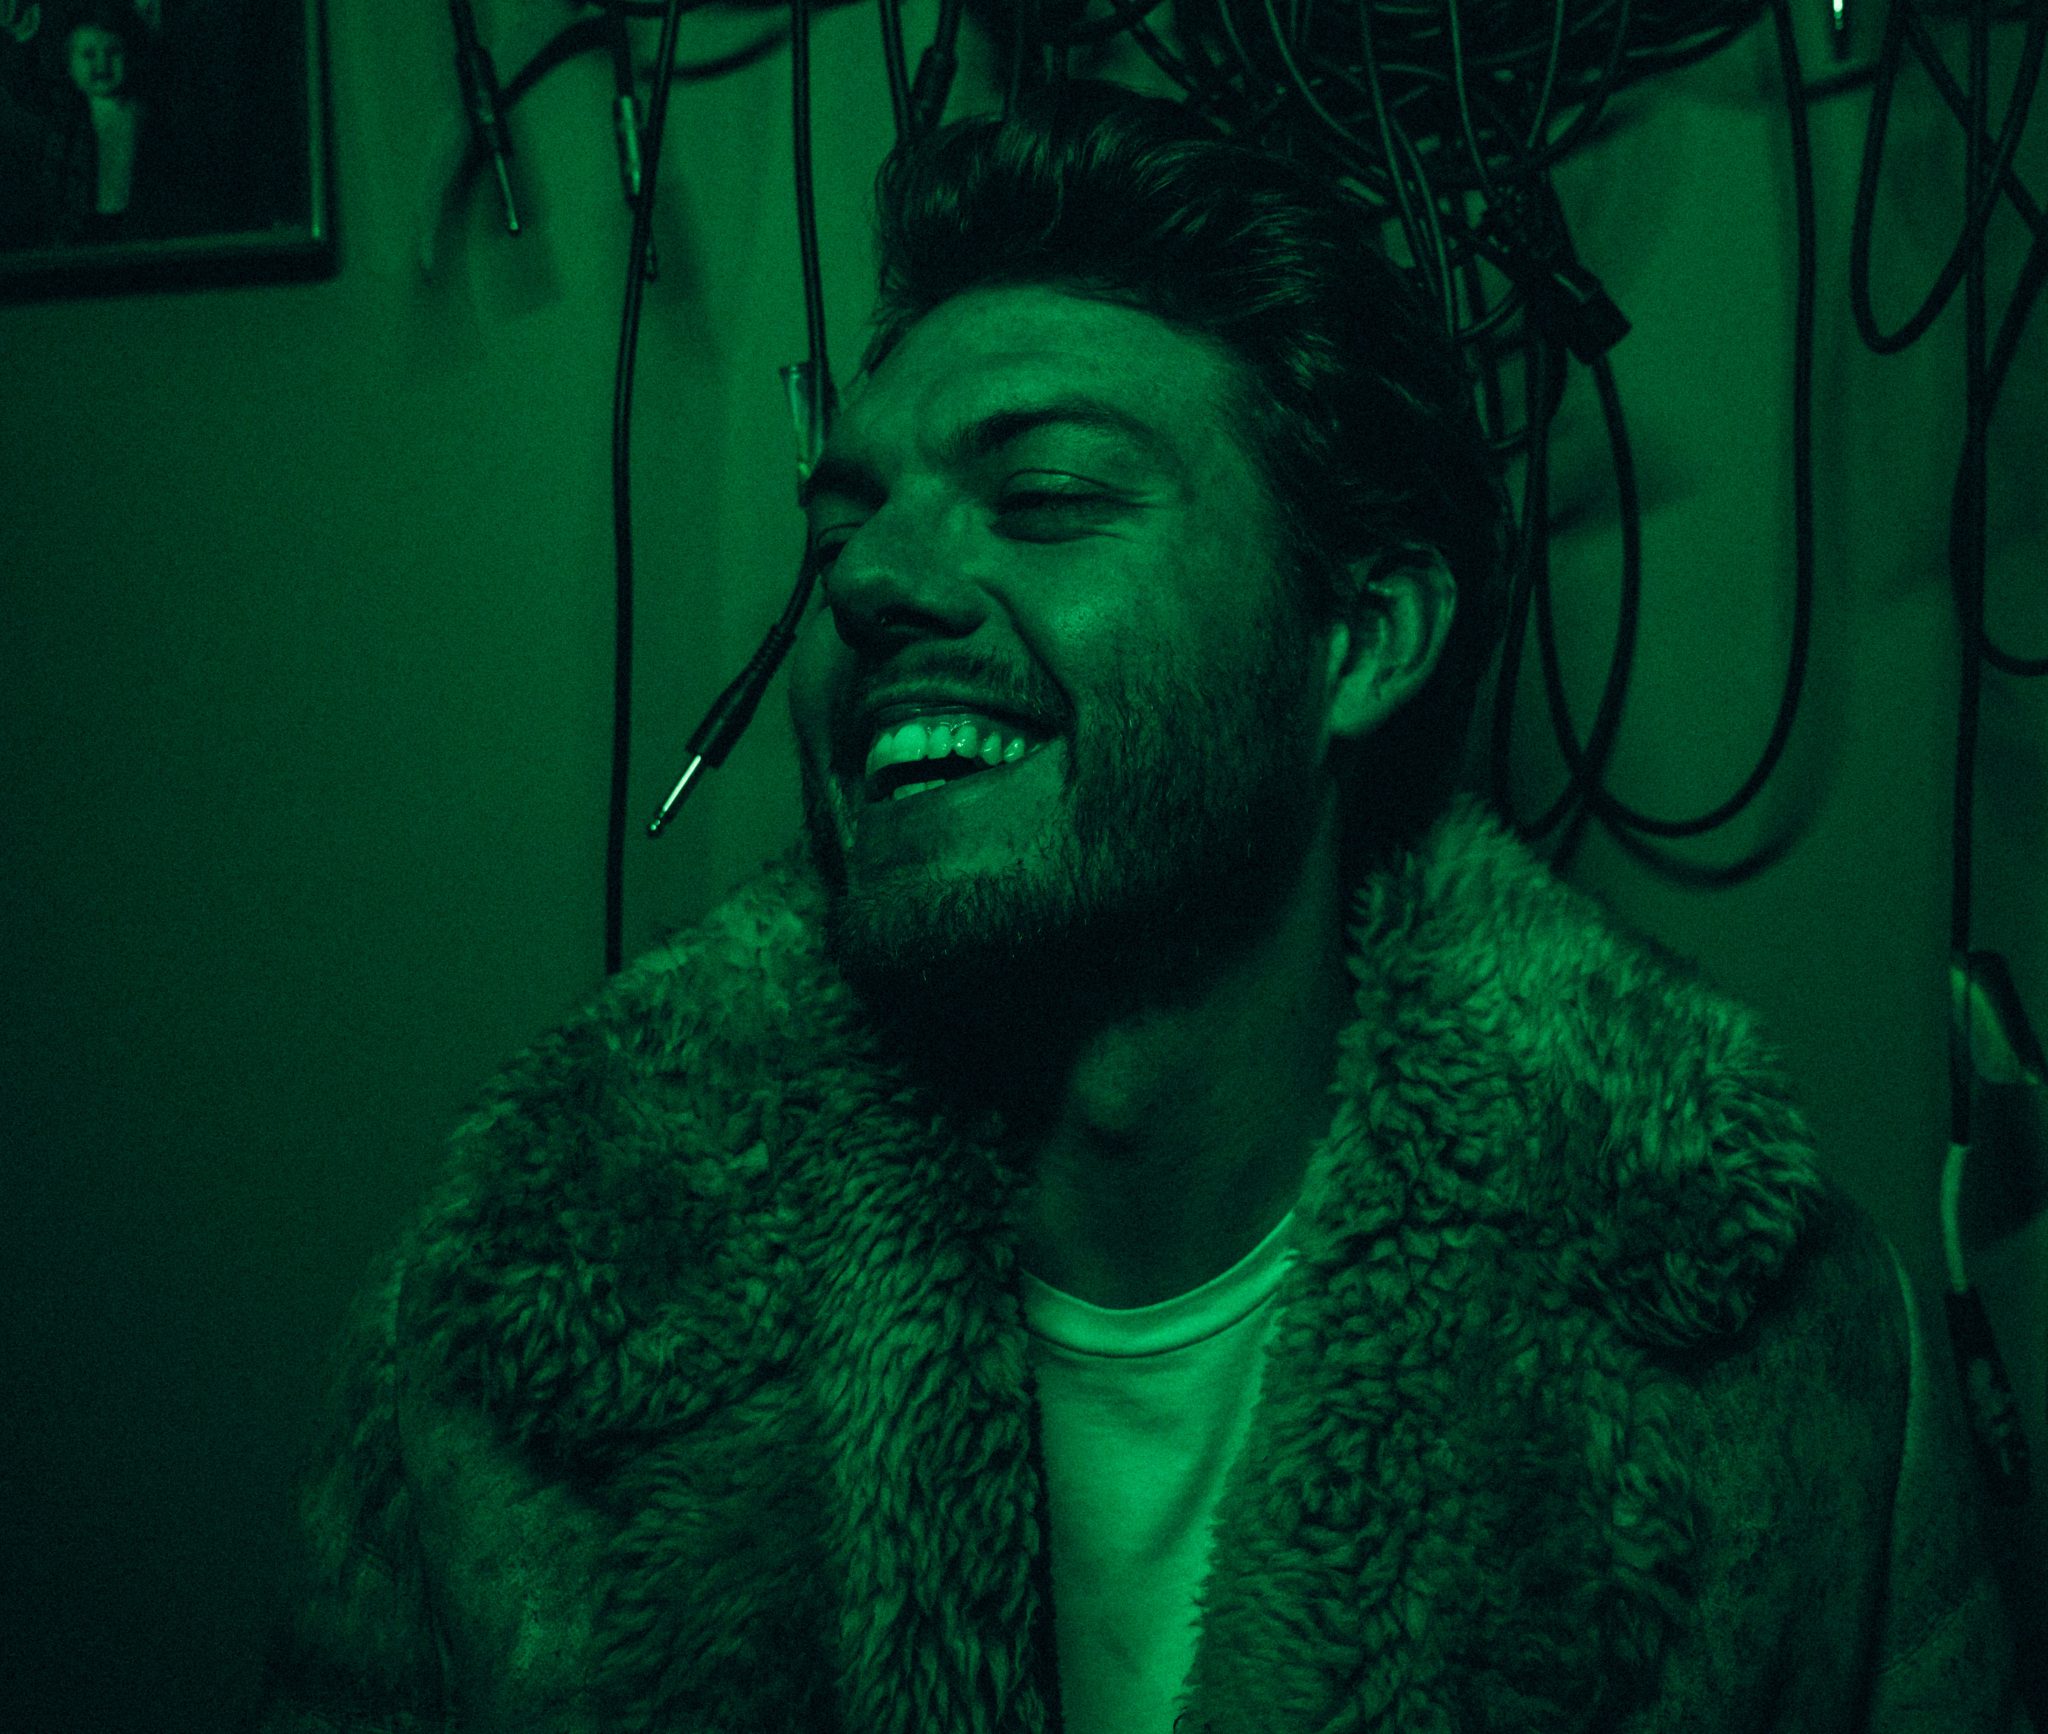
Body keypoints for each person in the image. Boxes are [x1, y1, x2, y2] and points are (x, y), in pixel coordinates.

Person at [251, 79, 2028, 1734]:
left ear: (1360, 642)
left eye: (1043, 496)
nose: (870, 581)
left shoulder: (1792, 1370)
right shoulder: (509, 1336)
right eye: (840, 528)